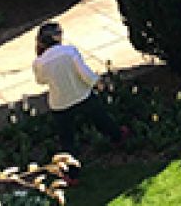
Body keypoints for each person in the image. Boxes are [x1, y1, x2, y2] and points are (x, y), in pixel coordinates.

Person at [32, 21, 127, 181]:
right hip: (81, 95)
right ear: (57, 37)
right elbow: (84, 73)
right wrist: (97, 83)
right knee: (101, 118)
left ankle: (72, 174)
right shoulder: (69, 52)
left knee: (67, 140)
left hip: (60, 103)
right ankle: (117, 137)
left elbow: (40, 81)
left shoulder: (39, 62)